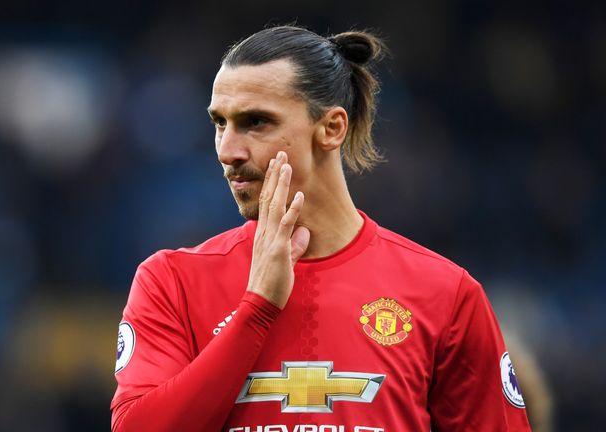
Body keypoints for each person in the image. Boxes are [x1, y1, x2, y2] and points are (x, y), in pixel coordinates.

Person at [110, 25, 532, 431]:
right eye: (220, 123)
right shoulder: (172, 283)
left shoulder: (444, 294)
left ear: (331, 129)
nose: (229, 150)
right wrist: (257, 308)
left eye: (257, 122)